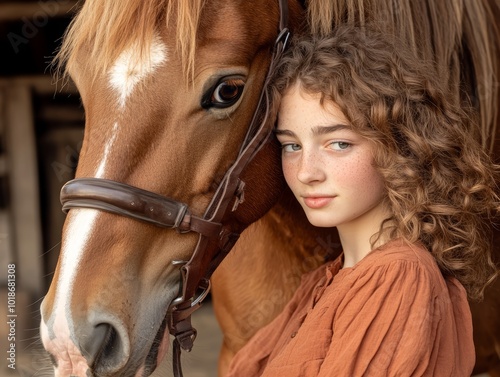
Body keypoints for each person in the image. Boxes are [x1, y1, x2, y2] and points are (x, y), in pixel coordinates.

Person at [226, 26, 499, 376]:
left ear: (399, 146)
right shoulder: (326, 281)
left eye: (338, 143)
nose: (307, 172)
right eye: (292, 145)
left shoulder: (399, 278)